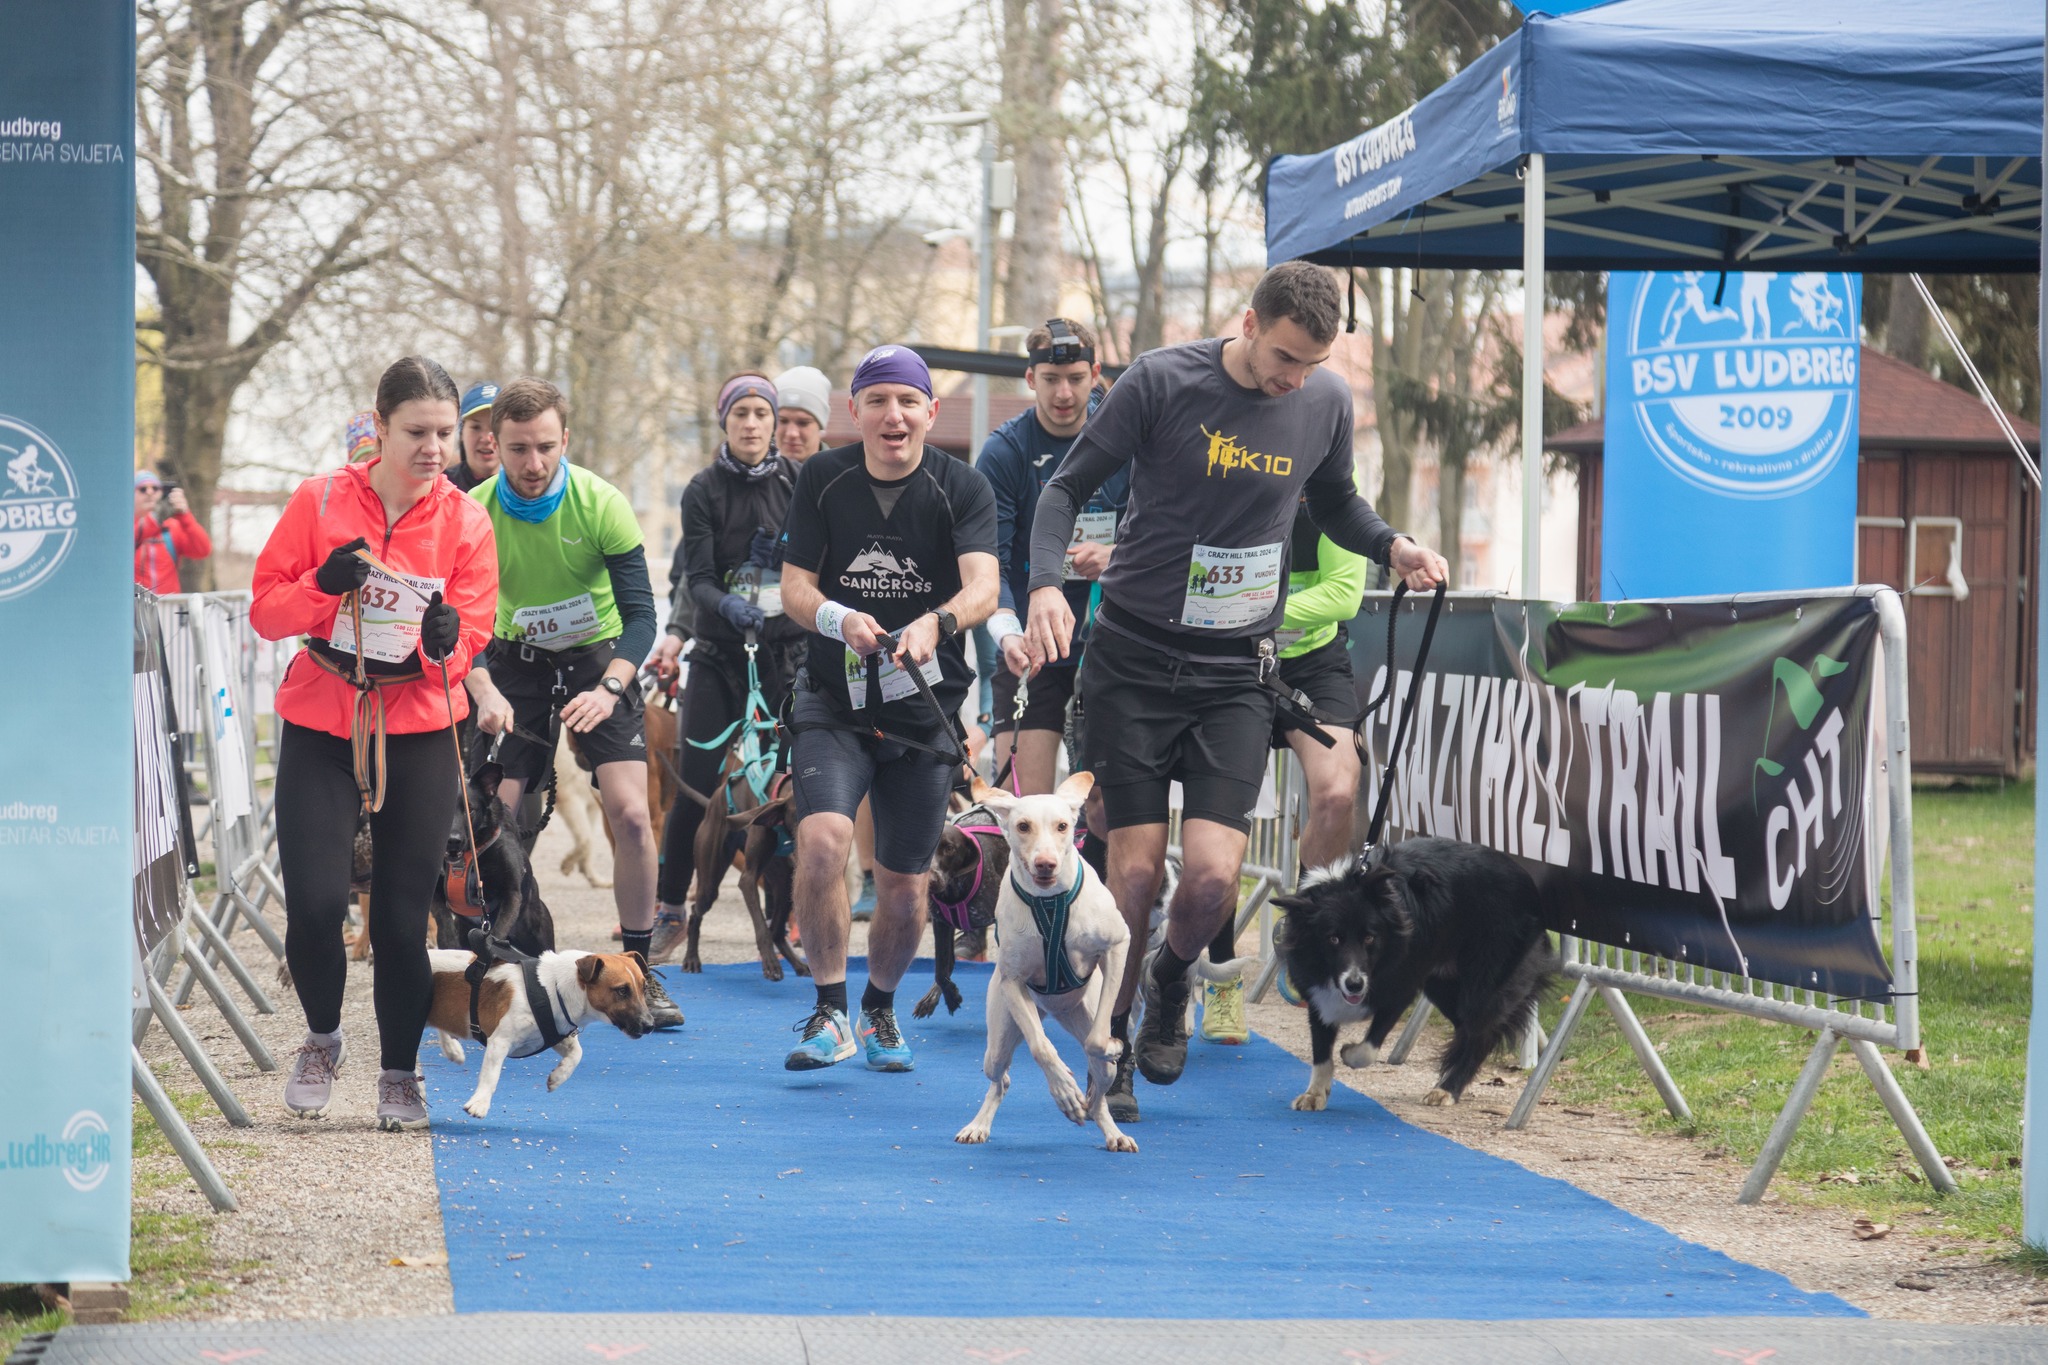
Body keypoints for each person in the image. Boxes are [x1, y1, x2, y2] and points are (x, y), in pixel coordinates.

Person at [1025, 261, 1449, 1121]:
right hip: (1135, 661)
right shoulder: (1161, 381)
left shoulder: (1325, 402)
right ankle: (1115, 1040)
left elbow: (1336, 501)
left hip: (1233, 671)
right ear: (1249, 323)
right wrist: (1041, 586)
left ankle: (1171, 974)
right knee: (1135, 871)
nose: (1295, 378)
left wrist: (1392, 545)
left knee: (1214, 879)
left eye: (1313, 363)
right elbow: (1065, 487)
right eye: (1285, 357)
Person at [252, 356, 497, 1131]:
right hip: (323, 716)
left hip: (419, 724)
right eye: (418, 432)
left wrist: (448, 642)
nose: (435, 448)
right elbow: (265, 610)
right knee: (316, 904)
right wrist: (320, 586)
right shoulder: (319, 499)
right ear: (380, 426)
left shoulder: (467, 521)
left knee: (399, 916)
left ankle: (399, 1070)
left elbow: (471, 638)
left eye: (445, 433)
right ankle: (323, 1037)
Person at [777, 344, 998, 1072]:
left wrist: (939, 621)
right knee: (823, 841)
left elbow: (984, 585)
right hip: (833, 703)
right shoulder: (822, 477)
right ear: (855, 411)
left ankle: (878, 1008)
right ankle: (829, 1010)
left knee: (904, 887)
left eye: (907, 401)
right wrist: (838, 618)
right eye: (877, 401)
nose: (893, 415)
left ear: (930, 411)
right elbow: (794, 588)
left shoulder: (962, 486)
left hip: (922, 713)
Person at [459, 377, 684, 1029]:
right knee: (495, 821)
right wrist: (483, 685)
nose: (533, 464)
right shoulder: (473, 512)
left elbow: (641, 616)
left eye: (546, 447)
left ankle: (639, 970)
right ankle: (497, 967)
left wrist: (610, 687)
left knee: (632, 814)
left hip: (596, 660)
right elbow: (463, 621)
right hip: (514, 665)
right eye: (518, 449)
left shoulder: (601, 503)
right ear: (494, 444)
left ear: (566, 439)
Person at [1199, 486, 1369, 1046]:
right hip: (1232, 660)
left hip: (1313, 663)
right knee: (1227, 828)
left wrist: (1258, 609)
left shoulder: (1333, 482)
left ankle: (1304, 925)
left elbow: (1343, 593)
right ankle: (1221, 980)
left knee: (1338, 791)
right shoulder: (1233, 479)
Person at [647, 374, 807, 959]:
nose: (751, 424)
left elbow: (818, 563)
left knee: (795, 788)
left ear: (774, 422)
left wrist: (783, 563)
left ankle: (797, 912)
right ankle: (671, 909)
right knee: (695, 785)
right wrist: (728, 603)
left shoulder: (799, 481)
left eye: (762, 413)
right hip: (719, 654)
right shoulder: (703, 489)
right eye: (740, 413)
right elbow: (698, 579)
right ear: (725, 421)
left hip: (785, 654)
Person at [979, 318, 1126, 805]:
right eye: (1050, 379)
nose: (1064, 393)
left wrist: (1116, 556)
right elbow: (990, 564)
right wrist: (1007, 634)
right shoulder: (1005, 451)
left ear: (1096, 374)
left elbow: (1166, 536)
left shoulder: (1127, 438)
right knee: (1024, 806)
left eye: (1077, 379)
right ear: (1030, 378)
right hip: (1032, 646)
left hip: (1112, 645)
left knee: (1104, 805)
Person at [133, 470, 212, 594]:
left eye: (155, 488)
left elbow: (203, 550)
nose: (149, 492)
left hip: (168, 603)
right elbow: (133, 538)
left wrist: (184, 515)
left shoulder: (171, 527)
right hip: (133, 603)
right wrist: (156, 519)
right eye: (142, 489)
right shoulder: (125, 527)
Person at [444, 382, 501, 491]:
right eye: (476, 427)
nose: (486, 439)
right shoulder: (441, 486)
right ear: (461, 433)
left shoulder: (523, 487)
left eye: (494, 427)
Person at [772, 365, 831, 465]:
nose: (792, 433)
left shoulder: (840, 473)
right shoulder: (753, 472)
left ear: (820, 427)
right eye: (783, 421)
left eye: (803, 423)